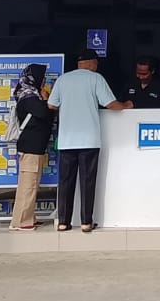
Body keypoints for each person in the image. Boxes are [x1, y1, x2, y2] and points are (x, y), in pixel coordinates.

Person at [47, 48, 131, 232]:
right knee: (87, 182)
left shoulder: (63, 80)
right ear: (93, 63)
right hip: (89, 140)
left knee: (66, 182)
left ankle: (63, 222)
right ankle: (86, 222)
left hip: (67, 140)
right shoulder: (96, 79)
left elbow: (51, 105)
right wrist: (126, 105)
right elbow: (111, 104)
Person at [8, 63, 54, 231]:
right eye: (43, 78)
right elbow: (43, 113)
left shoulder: (30, 95)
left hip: (35, 147)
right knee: (28, 185)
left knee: (31, 184)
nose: (44, 81)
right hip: (31, 147)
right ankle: (21, 221)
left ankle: (28, 217)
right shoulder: (29, 97)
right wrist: (46, 99)